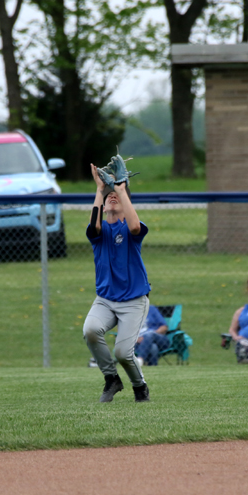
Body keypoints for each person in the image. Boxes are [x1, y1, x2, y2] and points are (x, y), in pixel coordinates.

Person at [82, 160, 151, 403]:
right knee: (90, 330)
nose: (113, 198)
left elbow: (134, 226)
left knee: (123, 352)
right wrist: (100, 190)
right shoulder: (98, 235)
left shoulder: (131, 229)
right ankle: (111, 379)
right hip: (105, 300)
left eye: (117, 197)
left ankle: (139, 386)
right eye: (109, 196)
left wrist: (121, 190)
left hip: (134, 301)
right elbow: (95, 223)